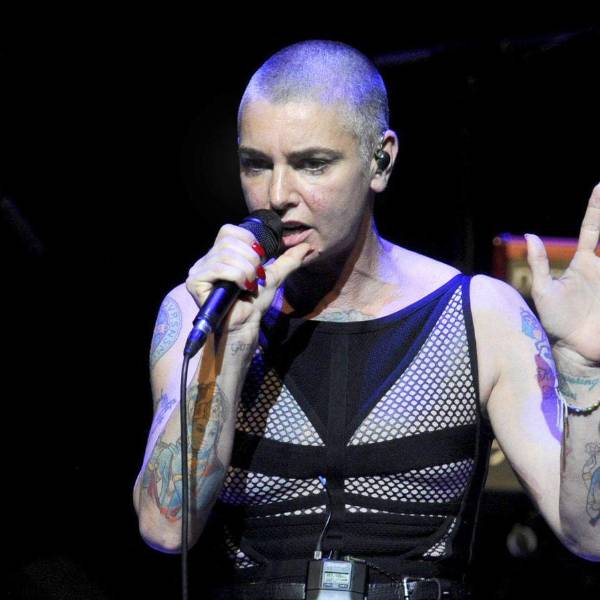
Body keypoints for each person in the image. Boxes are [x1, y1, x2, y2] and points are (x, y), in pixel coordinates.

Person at [133, 40, 600, 599]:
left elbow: (589, 534)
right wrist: (230, 346)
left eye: (312, 164)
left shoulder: (482, 315)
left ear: (381, 161)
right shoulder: (197, 310)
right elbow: (166, 528)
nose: (277, 195)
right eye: (256, 164)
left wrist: (582, 371)